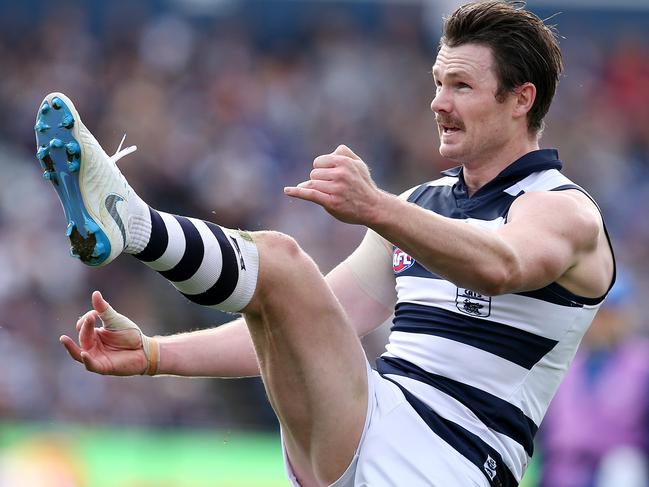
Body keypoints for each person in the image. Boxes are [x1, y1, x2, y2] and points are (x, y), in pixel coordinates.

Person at [36, 2, 615, 486]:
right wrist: (156, 357)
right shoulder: (421, 205)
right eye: (437, 83)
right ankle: (132, 224)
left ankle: (135, 225)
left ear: (521, 99)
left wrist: (377, 207)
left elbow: (502, 265)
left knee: (283, 263)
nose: (439, 102)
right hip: (370, 432)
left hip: (450, 460)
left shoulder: (562, 210)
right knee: (278, 283)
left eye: (462, 85)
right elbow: (308, 320)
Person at [539, 275, 649, 487]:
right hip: (562, 473)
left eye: (609, 314)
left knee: (624, 466)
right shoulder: (564, 361)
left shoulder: (641, 363)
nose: (601, 323)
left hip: (615, 473)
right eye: (597, 314)